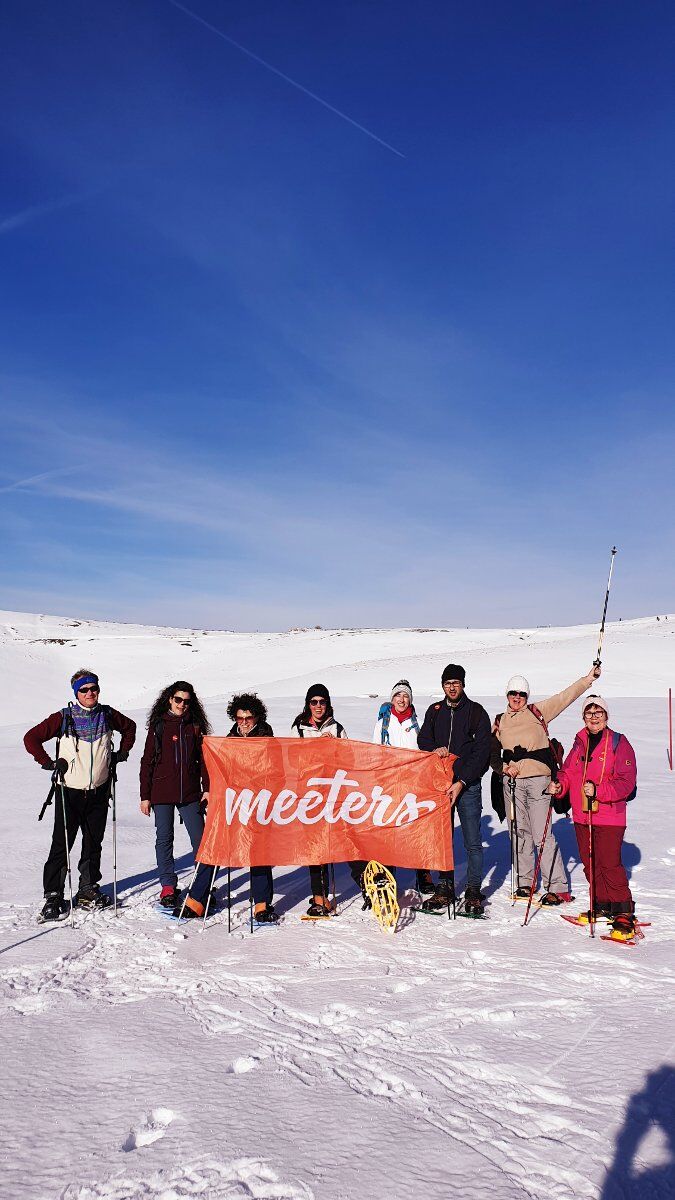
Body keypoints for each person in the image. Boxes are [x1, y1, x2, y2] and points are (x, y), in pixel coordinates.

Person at [24, 668, 136, 921]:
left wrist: (121, 754)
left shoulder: (107, 715)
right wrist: (48, 762)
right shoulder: (64, 717)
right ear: (76, 693)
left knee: (93, 843)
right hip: (69, 791)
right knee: (61, 844)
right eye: (84, 689)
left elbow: (130, 728)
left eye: (93, 688)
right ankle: (53, 896)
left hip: (99, 790)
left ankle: (88, 889)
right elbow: (31, 738)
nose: (90, 693)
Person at [495, 665, 600, 907]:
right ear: (507, 695)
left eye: (521, 694)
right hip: (512, 784)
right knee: (520, 833)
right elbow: (489, 748)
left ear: (527, 696)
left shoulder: (537, 712)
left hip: (539, 782)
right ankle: (524, 883)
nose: (517, 698)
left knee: (542, 835)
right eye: (513, 694)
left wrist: (587, 679)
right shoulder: (500, 721)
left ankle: (557, 887)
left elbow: (566, 697)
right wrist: (502, 768)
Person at [549, 695, 638, 940]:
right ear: (583, 717)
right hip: (582, 814)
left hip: (609, 815)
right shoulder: (580, 742)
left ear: (606, 716)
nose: (594, 717)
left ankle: (623, 911)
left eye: (598, 712)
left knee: (609, 864)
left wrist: (599, 791)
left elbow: (626, 782)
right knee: (591, 863)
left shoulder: (619, 743)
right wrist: (560, 786)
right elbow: (567, 773)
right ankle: (601, 903)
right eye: (589, 713)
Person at [417, 664, 491, 915]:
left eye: (456, 682)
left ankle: (472, 890)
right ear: (443, 686)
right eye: (448, 683)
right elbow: (423, 739)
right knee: (442, 840)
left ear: (463, 685)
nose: (452, 687)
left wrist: (462, 782)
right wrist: (434, 749)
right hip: (440, 786)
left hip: (467, 786)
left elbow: (482, 752)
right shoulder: (434, 711)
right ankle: (446, 886)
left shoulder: (476, 713)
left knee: (472, 841)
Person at [139, 681, 212, 917]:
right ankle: (168, 887)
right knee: (164, 839)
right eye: (178, 699)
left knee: (200, 841)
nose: (182, 704)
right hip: (161, 793)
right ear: (170, 699)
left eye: (187, 701)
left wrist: (207, 788)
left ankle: (201, 887)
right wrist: (145, 796)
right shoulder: (159, 725)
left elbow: (204, 761)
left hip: (190, 793)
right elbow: (147, 761)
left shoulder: (195, 726)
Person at [366, 679, 431, 896]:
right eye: (398, 696)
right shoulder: (383, 723)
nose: (402, 700)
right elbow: (376, 753)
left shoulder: (418, 722)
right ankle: (387, 874)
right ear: (392, 699)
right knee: (390, 829)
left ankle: (423, 874)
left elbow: (425, 750)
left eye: (405, 696)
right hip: (390, 784)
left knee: (417, 828)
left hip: (415, 784)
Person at [292, 683, 347, 916]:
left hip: (333, 794)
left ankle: (365, 890)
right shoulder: (299, 728)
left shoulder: (337, 728)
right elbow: (292, 760)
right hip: (309, 796)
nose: (318, 706)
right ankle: (319, 897)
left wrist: (333, 747)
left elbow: (349, 759)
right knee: (315, 848)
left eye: (322, 702)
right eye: (313, 702)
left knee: (337, 843)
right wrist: (315, 748)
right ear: (308, 704)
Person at [226, 693, 277, 924]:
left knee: (259, 851)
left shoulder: (266, 736)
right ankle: (200, 896)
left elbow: (277, 770)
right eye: (239, 718)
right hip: (236, 802)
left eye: (248, 718)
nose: (244, 722)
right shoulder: (230, 739)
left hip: (260, 802)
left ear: (257, 717)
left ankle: (262, 902)